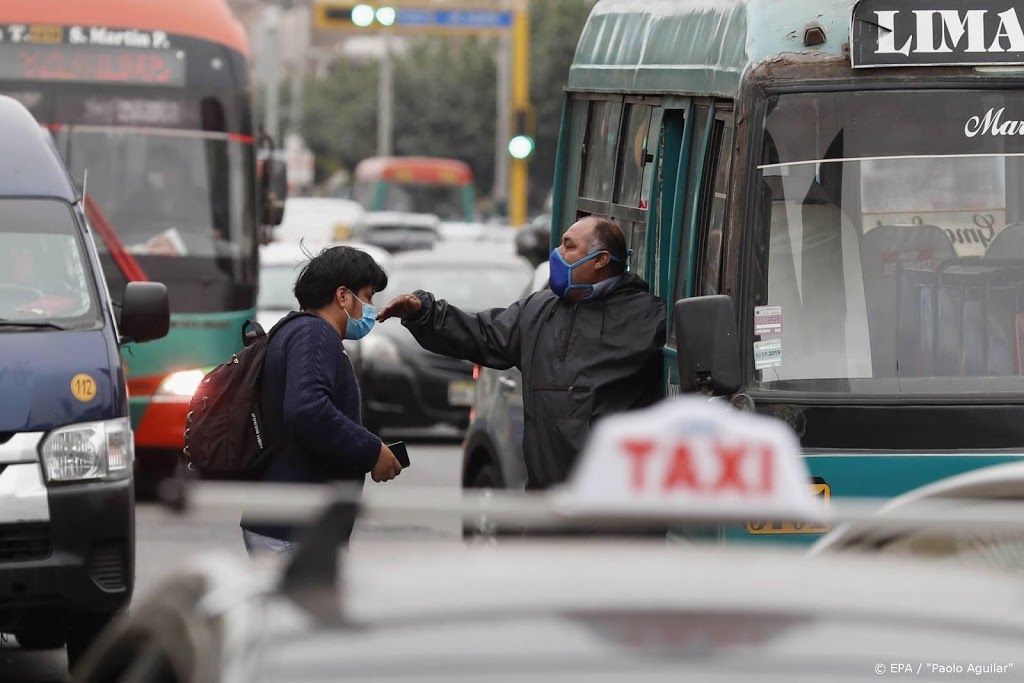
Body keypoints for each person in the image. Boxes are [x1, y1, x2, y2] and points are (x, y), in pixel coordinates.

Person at [377, 216, 667, 490]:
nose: (557, 254)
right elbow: (481, 333)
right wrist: (424, 313)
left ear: (601, 260)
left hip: (615, 500)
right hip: (546, 498)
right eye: (559, 244)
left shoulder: (647, 317)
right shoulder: (538, 310)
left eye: (568, 246)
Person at [240, 246, 403, 555]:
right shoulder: (315, 335)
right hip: (295, 526)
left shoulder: (296, 330)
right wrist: (372, 451)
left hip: (293, 521)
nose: (370, 307)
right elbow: (307, 410)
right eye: (367, 296)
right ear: (342, 296)